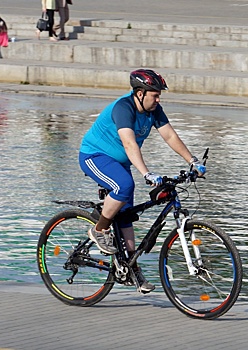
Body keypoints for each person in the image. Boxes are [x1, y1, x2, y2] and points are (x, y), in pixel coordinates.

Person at [79, 69, 206, 293]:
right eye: (154, 95)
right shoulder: (123, 108)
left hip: (120, 163)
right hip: (94, 156)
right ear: (139, 93)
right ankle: (99, 230)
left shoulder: (153, 110)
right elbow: (129, 144)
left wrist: (193, 161)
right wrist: (147, 173)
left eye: (159, 96)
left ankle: (131, 268)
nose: (158, 99)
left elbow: (170, 136)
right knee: (125, 186)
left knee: (126, 214)